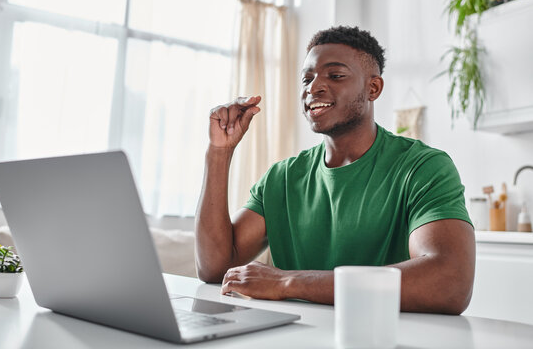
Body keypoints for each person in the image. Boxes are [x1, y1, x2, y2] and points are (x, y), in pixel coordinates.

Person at [195, 25, 475, 314]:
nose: (313, 87)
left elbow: (450, 281)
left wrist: (288, 283)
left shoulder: (422, 168)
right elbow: (214, 267)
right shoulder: (282, 178)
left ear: (373, 88)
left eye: (335, 75)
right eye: (307, 78)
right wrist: (219, 152)